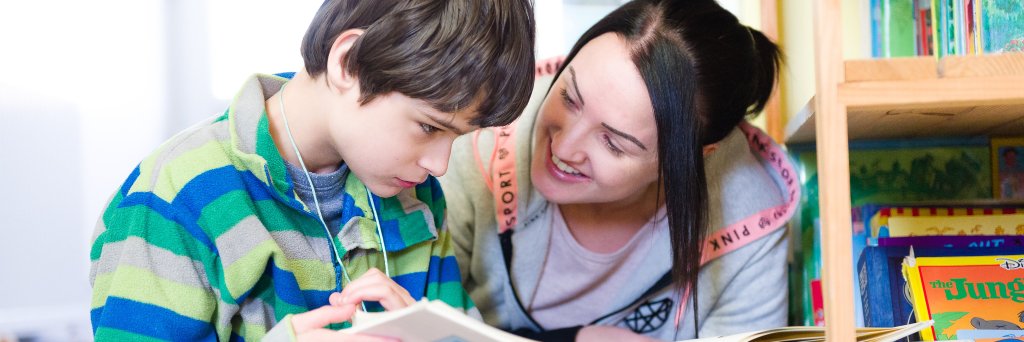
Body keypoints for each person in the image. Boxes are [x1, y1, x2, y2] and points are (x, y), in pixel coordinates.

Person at [88, 0, 535, 340]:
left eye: (456, 137)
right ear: (349, 63)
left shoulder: (415, 197)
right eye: (427, 126)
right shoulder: (176, 198)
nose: (439, 165)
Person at [440, 0, 799, 340]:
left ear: (696, 158)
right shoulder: (480, 135)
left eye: (613, 143)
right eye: (569, 97)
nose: (564, 148)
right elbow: (419, 323)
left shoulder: (749, 216)